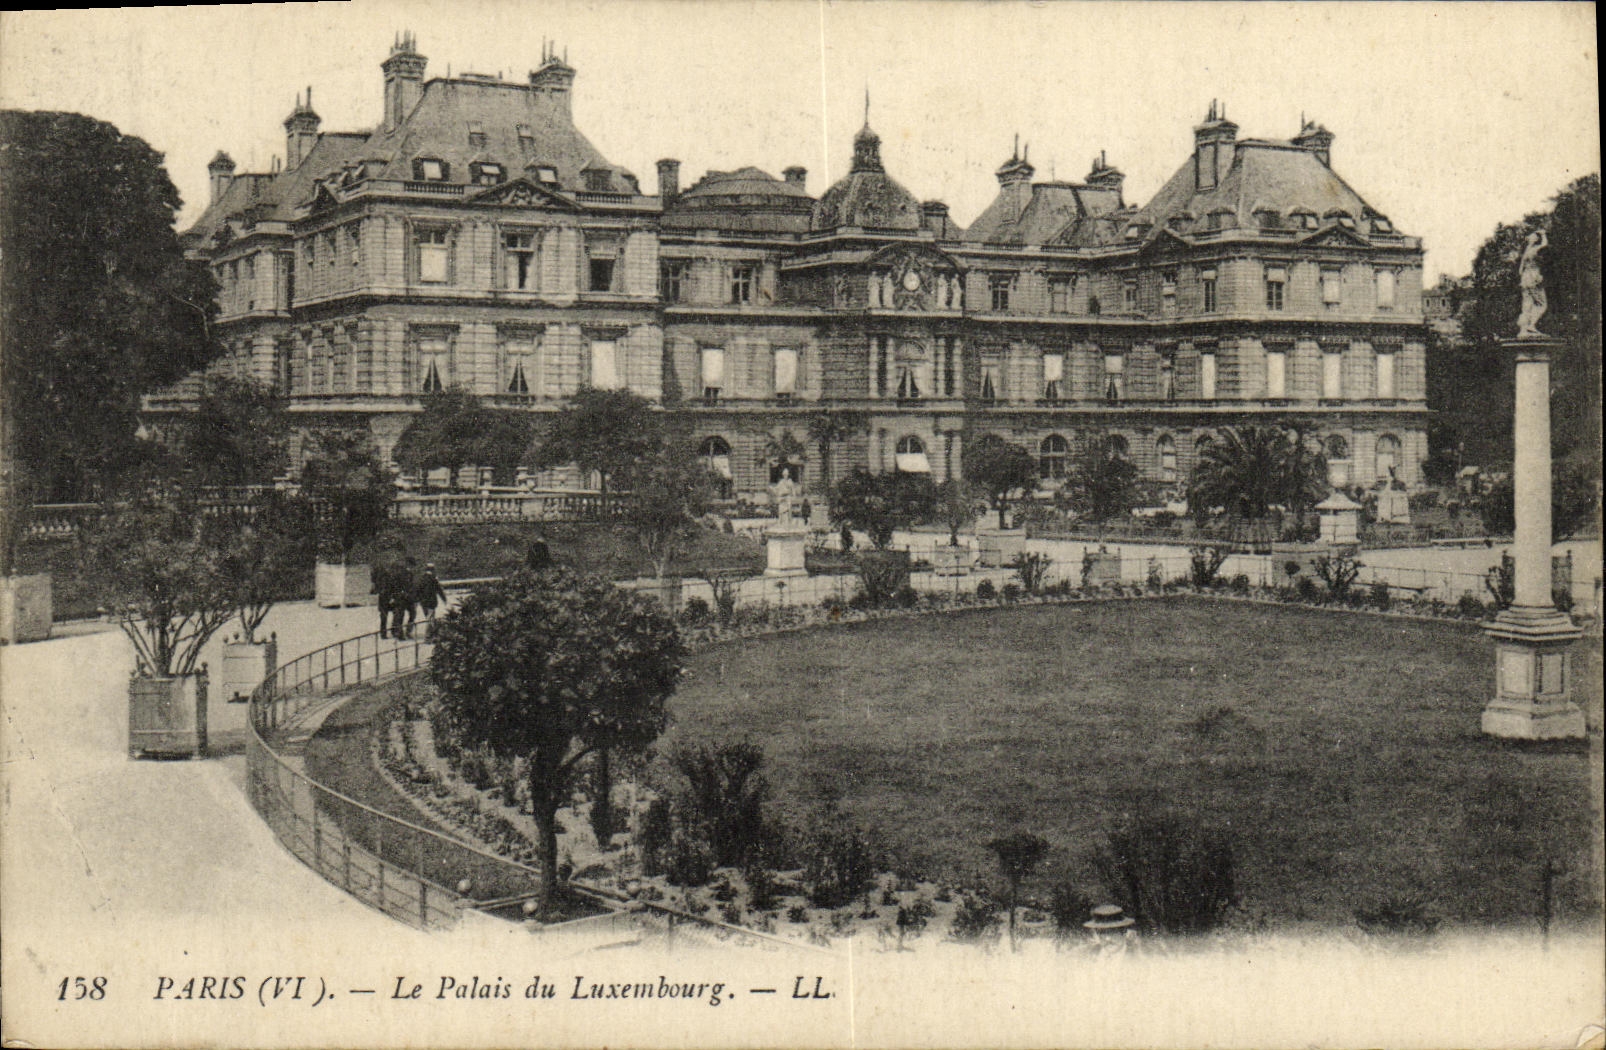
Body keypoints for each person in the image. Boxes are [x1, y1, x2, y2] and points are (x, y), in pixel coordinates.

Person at [413, 562, 448, 627]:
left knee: (428, 617)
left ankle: (430, 631)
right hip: (432, 602)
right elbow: (439, 590)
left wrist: (416, 601)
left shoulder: (421, 579)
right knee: (431, 617)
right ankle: (429, 632)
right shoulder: (434, 579)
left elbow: (418, 590)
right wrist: (444, 599)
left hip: (423, 602)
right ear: (433, 570)